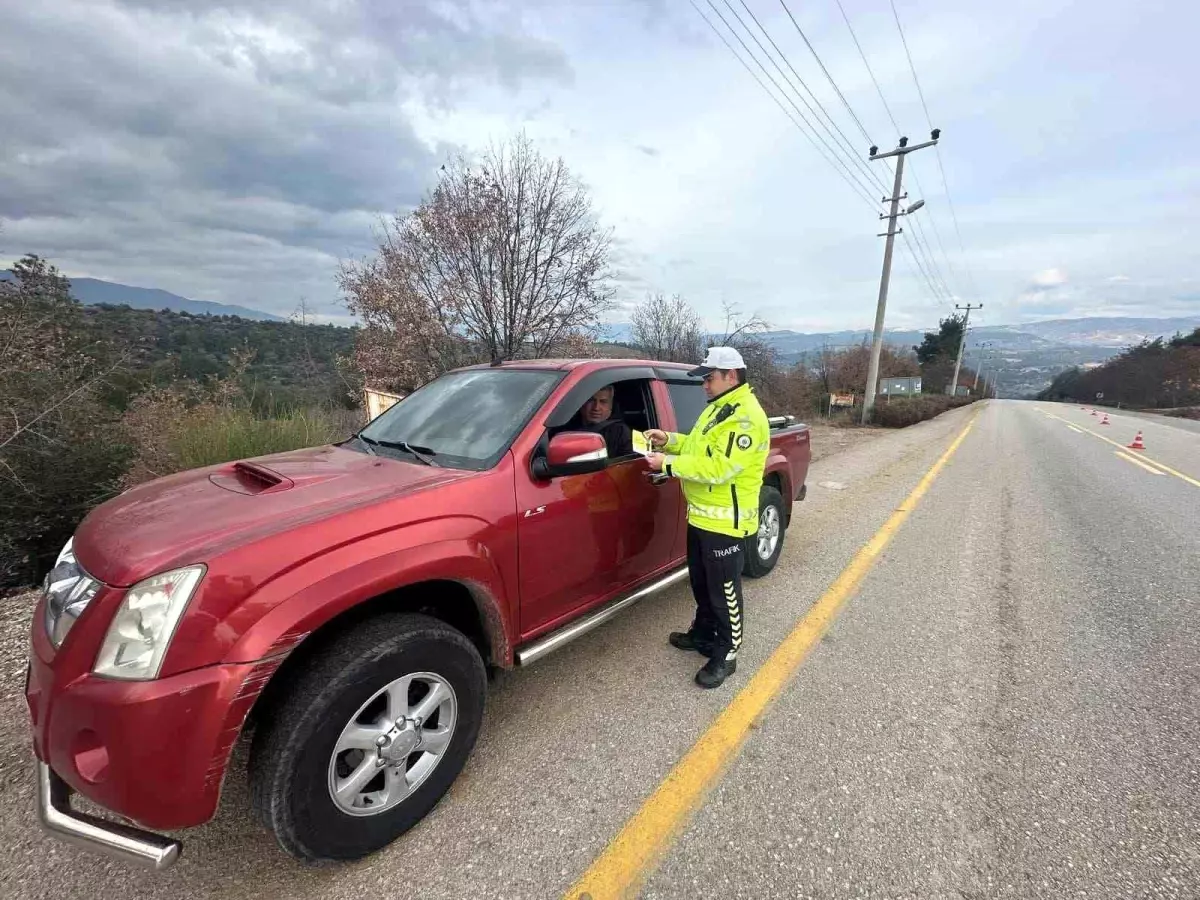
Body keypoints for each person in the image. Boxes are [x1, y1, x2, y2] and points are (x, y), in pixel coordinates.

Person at [645, 347, 770, 689]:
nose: (704, 384)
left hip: (725, 522)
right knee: (701, 583)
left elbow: (719, 468)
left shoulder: (745, 417)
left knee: (724, 591)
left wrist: (666, 465)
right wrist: (668, 441)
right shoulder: (719, 409)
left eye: (709, 377)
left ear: (732, 376)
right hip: (702, 516)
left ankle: (727, 654)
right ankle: (702, 634)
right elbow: (701, 450)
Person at [574, 385, 633, 458]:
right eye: (591, 400)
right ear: (582, 403)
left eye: (603, 402)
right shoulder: (564, 424)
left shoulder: (621, 432)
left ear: (610, 405)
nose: (596, 407)